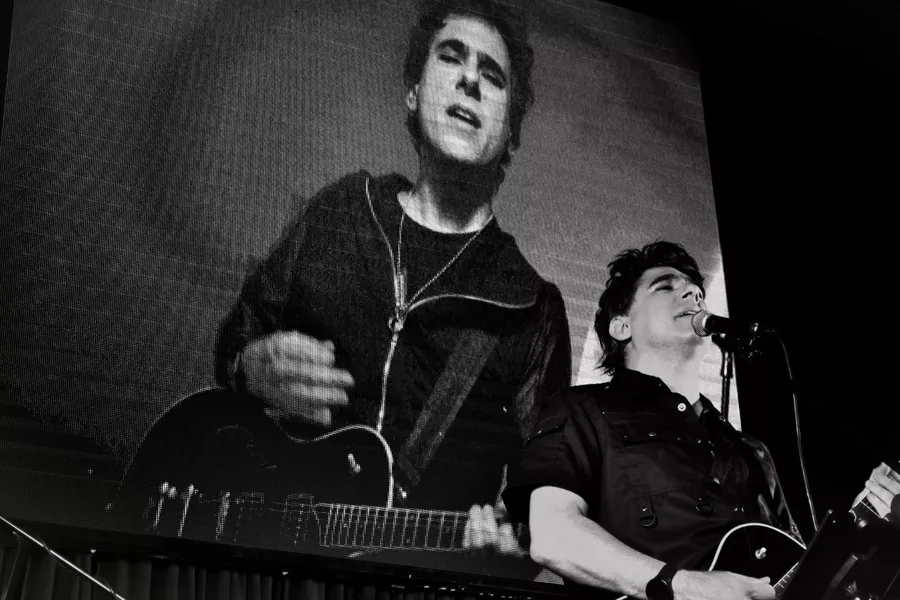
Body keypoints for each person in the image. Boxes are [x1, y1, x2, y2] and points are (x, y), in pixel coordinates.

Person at [212, 0, 571, 562]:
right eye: (450, 57)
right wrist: (247, 368)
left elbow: (546, 499)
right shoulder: (342, 211)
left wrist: (508, 549)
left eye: (493, 76)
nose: (470, 80)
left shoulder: (529, 308)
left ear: (510, 133)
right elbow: (236, 339)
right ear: (413, 92)